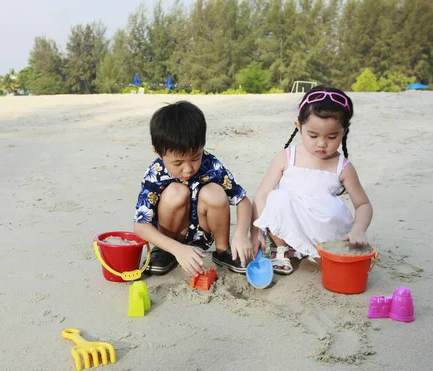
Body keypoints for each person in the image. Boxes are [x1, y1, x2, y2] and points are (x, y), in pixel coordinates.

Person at [251, 86, 373, 275]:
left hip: (323, 230)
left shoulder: (343, 166)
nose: (322, 143)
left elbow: (363, 204)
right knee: (277, 197)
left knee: (332, 210)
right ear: (299, 127)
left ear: (344, 132)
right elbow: (261, 196)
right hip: (289, 223)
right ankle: (281, 248)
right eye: (313, 135)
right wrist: (256, 232)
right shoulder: (286, 157)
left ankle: (318, 250)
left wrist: (358, 229)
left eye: (332, 137)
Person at [133, 101, 253, 276]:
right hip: (172, 236)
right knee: (176, 192)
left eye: (195, 157)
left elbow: (243, 201)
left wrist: (241, 235)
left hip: (202, 232)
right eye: (178, 163)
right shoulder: (155, 174)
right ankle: (164, 252)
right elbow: (140, 226)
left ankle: (222, 251)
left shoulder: (211, 165)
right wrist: (177, 248)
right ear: (158, 153)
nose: (188, 169)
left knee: (215, 192)